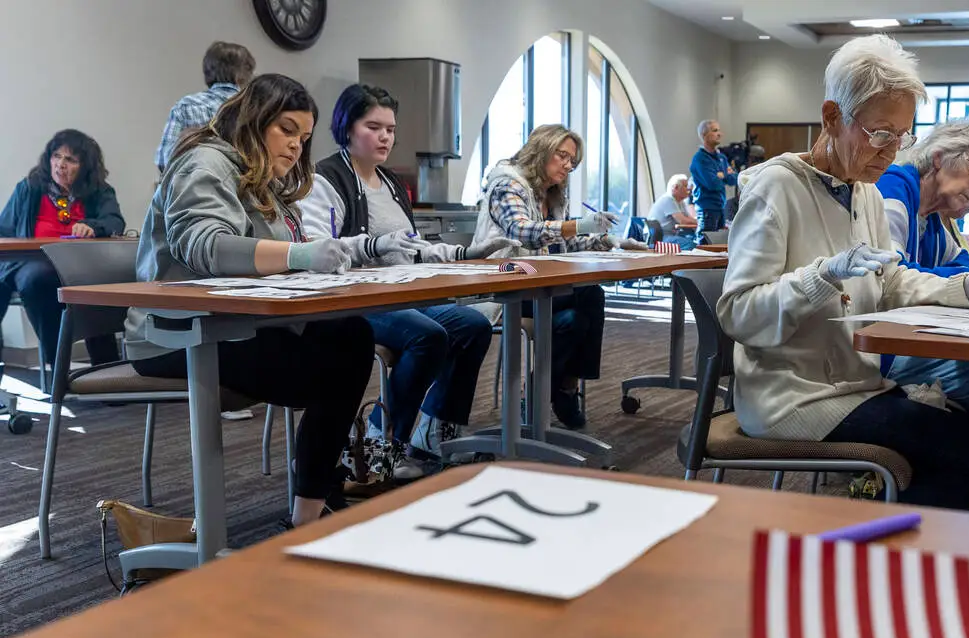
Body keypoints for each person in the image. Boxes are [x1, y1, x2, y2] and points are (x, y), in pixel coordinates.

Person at [716, 35, 969, 511]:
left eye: (903, 137)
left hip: (853, 384)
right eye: (881, 134)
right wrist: (822, 276)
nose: (891, 151)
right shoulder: (776, 189)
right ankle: (879, 551)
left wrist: (966, 288)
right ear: (832, 118)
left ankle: (891, 547)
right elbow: (738, 313)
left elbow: (891, 281)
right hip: (790, 397)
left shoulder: (865, 193)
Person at [126, 74, 419, 527]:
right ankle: (312, 503)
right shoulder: (205, 164)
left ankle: (311, 505)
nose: (296, 147)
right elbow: (206, 246)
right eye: (286, 130)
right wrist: (298, 254)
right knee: (341, 357)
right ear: (253, 120)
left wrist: (358, 251)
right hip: (175, 334)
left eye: (303, 138)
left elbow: (295, 248)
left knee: (349, 335)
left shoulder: (261, 178)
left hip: (232, 325)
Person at [299, 84, 513, 475]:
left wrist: (466, 253)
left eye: (390, 129)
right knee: (427, 336)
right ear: (347, 128)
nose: (385, 137)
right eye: (373, 126)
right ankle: (381, 444)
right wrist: (375, 245)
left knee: (474, 325)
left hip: (401, 293)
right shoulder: (325, 180)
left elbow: (412, 248)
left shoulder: (393, 183)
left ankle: (434, 434)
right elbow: (316, 248)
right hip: (354, 297)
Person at [876, 118, 969, 514]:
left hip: (903, 343)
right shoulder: (895, 190)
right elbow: (889, 277)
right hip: (874, 354)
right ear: (939, 157)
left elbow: (962, 266)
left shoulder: (932, 218)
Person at [472, 123, 635, 430]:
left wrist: (609, 241)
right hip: (501, 282)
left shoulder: (553, 195)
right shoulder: (507, 184)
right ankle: (564, 391)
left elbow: (564, 243)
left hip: (536, 285)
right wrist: (579, 226)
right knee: (590, 294)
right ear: (541, 150)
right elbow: (523, 232)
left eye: (572, 160)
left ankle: (544, 392)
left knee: (574, 319)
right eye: (562, 156)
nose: (568, 165)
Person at [0, 129, 125, 371]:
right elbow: (4, 229)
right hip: (31, 265)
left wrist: (92, 226)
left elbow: (114, 221)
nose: (61, 165)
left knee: (94, 283)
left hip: (80, 265)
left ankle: (106, 370)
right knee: (37, 278)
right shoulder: (28, 188)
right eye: (56, 156)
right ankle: (57, 362)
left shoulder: (99, 190)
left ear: (85, 166)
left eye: (71, 160)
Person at [155, 41, 255, 173]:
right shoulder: (256, 111)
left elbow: (164, 161)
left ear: (208, 72)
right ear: (242, 76)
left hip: (191, 188)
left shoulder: (186, 106)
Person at [689, 120, 737, 234]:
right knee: (705, 244)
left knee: (717, 244)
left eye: (719, 130)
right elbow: (713, 184)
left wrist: (721, 175)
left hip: (720, 207)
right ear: (704, 135)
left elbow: (734, 179)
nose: (719, 134)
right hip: (707, 209)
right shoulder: (700, 159)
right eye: (715, 131)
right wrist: (726, 174)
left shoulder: (721, 158)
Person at [647, 173, 698, 246]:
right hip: (661, 238)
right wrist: (700, 222)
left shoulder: (681, 202)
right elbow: (682, 221)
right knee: (691, 245)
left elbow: (689, 219)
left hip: (672, 235)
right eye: (685, 186)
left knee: (696, 241)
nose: (688, 189)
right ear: (675, 187)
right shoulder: (668, 200)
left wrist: (698, 221)